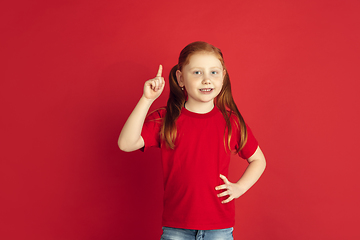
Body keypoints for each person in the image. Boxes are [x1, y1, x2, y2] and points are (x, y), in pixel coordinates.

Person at [118, 41, 266, 240]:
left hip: (219, 228)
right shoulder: (166, 118)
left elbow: (259, 160)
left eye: (214, 72)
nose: (206, 80)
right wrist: (147, 99)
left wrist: (240, 187)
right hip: (176, 227)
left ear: (223, 76)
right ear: (180, 78)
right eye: (197, 72)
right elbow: (126, 143)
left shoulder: (232, 122)